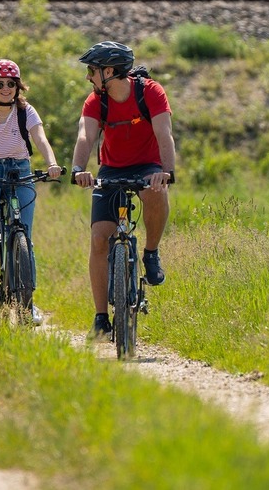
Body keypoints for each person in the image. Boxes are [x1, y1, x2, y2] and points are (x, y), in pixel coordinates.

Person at [69, 41, 176, 339]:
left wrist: (167, 172)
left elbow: (164, 134)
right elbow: (84, 136)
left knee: (156, 192)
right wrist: (78, 170)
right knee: (99, 239)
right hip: (112, 168)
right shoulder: (96, 101)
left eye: (92, 70)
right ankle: (101, 317)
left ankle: (151, 252)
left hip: (148, 166)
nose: (89, 77)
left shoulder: (150, 92)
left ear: (110, 71)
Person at [0, 59, 63, 324]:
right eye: (0, 84)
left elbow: (40, 138)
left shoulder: (25, 111)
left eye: (10, 84)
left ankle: (28, 306)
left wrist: (51, 163)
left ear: (18, 86)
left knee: (25, 235)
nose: (6, 89)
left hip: (20, 170)